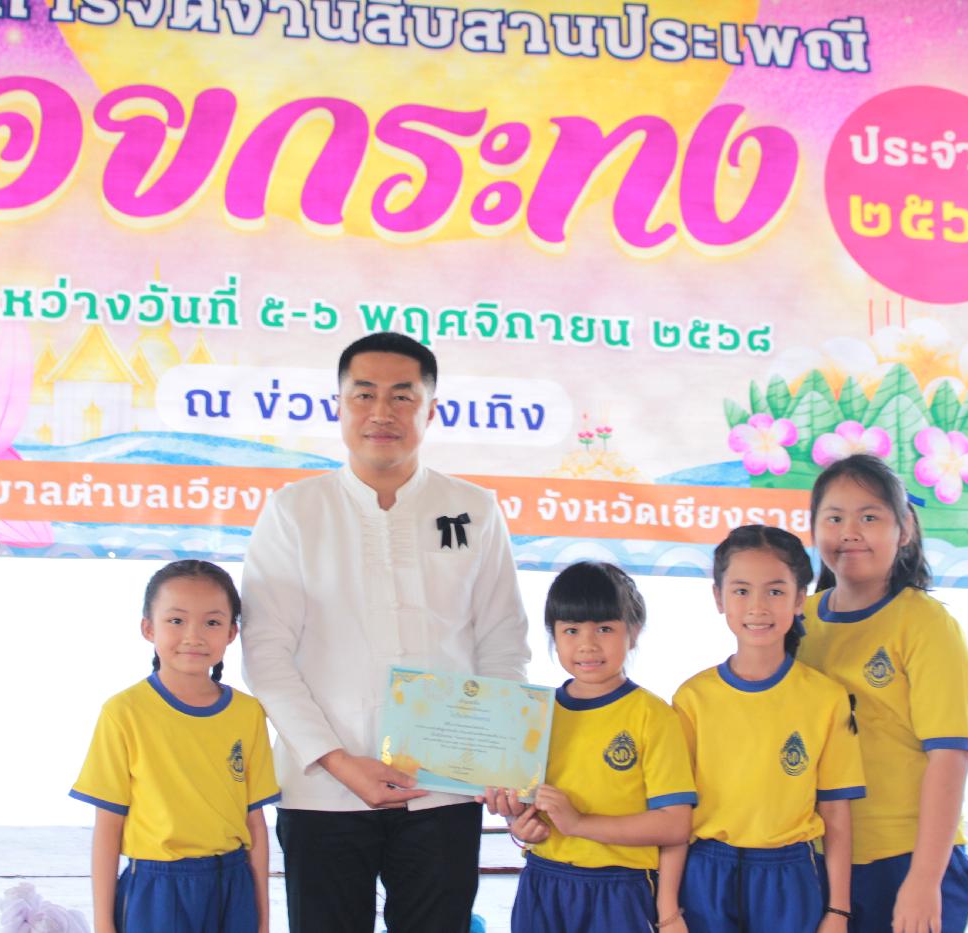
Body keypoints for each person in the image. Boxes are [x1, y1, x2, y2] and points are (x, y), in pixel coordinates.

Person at [241, 332, 531, 933]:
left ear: (431, 410)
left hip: (442, 792)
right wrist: (339, 761)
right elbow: (266, 655)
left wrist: (498, 759)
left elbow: (502, 642)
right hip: (323, 791)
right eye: (364, 394)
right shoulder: (295, 511)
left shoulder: (475, 509)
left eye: (402, 396)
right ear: (338, 405)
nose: (382, 412)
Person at [797, 454, 968, 933]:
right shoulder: (798, 621)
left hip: (906, 859)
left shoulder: (925, 624)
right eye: (834, 518)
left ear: (904, 529)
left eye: (869, 517)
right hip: (819, 857)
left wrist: (924, 880)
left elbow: (950, 757)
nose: (850, 532)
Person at [662, 525, 865, 933]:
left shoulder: (826, 698)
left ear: (799, 599)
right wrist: (668, 909)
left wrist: (838, 911)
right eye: (741, 591)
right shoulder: (692, 697)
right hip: (707, 873)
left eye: (774, 591)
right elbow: (675, 813)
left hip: (789, 876)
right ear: (719, 598)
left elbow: (836, 812)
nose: (757, 607)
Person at [70, 560, 281, 933]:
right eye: (176, 620)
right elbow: (108, 826)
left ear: (232, 632)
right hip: (156, 889)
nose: (193, 636)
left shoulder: (248, 713)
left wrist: (262, 920)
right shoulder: (124, 712)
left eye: (212, 622)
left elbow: (255, 822)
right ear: (148, 628)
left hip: (232, 885)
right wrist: (103, 924)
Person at [484, 561, 695, 933]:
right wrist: (518, 823)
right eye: (571, 630)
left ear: (634, 632)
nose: (587, 644)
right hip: (543, 883)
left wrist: (580, 824)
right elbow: (524, 811)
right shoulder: (534, 714)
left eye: (604, 628)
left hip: (621, 890)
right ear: (553, 635)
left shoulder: (654, 716)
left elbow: (674, 824)